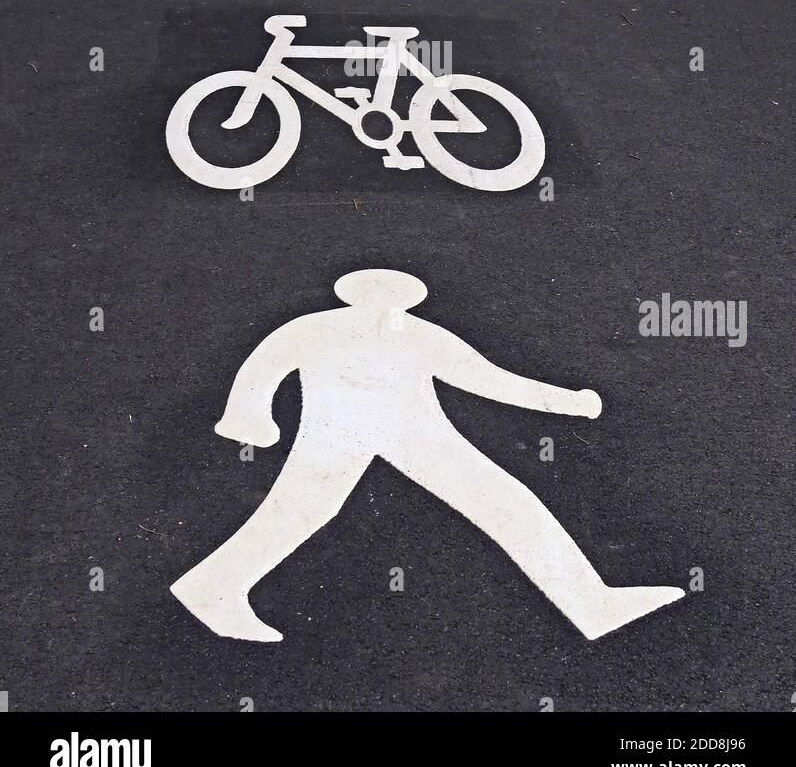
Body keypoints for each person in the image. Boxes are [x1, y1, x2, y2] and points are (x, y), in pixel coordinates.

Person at [171, 269, 684, 641]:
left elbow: (489, 380)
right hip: (337, 433)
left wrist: (566, 403)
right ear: (355, 295)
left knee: (509, 501)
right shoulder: (314, 328)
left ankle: (594, 604)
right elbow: (264, 366)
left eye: (392, 295)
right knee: (300, 512)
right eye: (374, 293)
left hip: (415, 434)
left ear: (406, 301)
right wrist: (250, 417)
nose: (383, 302)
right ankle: (212, 588)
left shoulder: (421, 336)